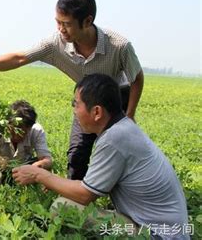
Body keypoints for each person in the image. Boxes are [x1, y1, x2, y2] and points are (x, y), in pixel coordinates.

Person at [0, 0, 144, 180]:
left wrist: (129, 115)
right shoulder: (56, 44)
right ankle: (74, 201)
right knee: (77, 152)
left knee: (120, 151)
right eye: (58, 22)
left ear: (87, 21)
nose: (61, 29)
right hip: (86, 100)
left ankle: (122, 199)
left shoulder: (119, 45)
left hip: (117, 99)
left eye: (67, 24)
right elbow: (20, 58)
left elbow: (136, 78)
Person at [12, 74, 188, 239]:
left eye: (76, 104)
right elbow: (91, 186)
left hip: (156, 234)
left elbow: (84, 195)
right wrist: (53, 181)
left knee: (63, 208)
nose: (74, 110)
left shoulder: (114, 139)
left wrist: (39, 175)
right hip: (167, 229)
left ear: (97, 112)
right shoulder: (123, 127)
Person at [0, 100, 52, 183]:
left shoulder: (36, 130)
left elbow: (47, 160)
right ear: (7, 124)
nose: (17, 137)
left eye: (23, 133)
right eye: (13, 132)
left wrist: (36, 168)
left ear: (30, 128)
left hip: (23, 168)